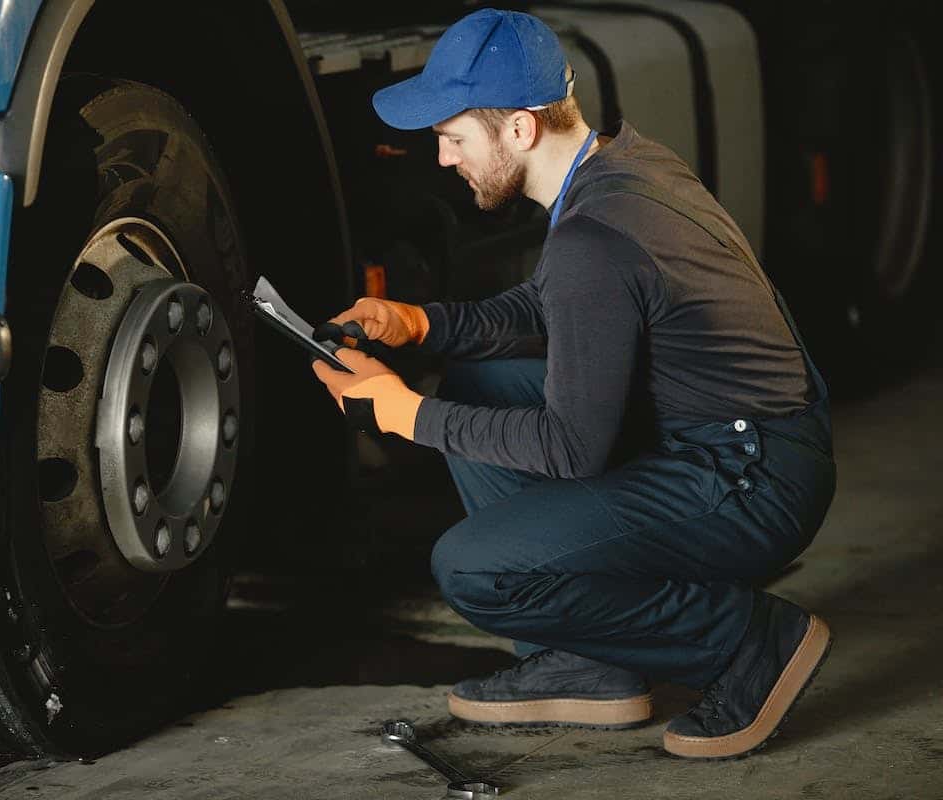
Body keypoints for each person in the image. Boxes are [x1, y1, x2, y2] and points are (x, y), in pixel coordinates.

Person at [309, 8, 836, 760]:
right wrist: (418, 323)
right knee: (481, 378)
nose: (442, 158)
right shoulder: (620, 167)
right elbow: (554, 307)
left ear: (519, 129)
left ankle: (751, 643)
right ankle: (591, 660)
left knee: (473, 568)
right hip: (751, 442)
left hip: (748, 479)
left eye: (453, 136)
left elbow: (571, 447)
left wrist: (406, 415)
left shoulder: (596, 237)